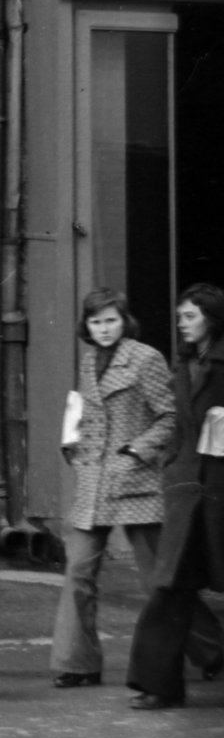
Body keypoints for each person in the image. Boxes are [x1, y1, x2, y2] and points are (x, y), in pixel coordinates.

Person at [50, 287, 221, 690]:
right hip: (94, 481)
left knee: (159, 579)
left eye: (111, 320)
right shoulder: (89, 360)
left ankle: (213, 648)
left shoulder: (145, 358)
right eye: (96, 322)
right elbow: (86, 412)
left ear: (125, 321)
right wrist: (73, 443)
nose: (104, 329)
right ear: (86, 325)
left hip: (137, 482)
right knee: (78, 571)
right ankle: (78, 663)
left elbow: (171, 417)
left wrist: (136, 451)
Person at [126, 283, 224, 709]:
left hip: (220, 490)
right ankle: (159, 685)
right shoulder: (183, 364)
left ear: (212, 318)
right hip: (187, 490)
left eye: (190, 316)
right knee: (170, 587)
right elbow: (176, 424)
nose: (182, 323)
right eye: (180, 316)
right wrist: (171, 465)